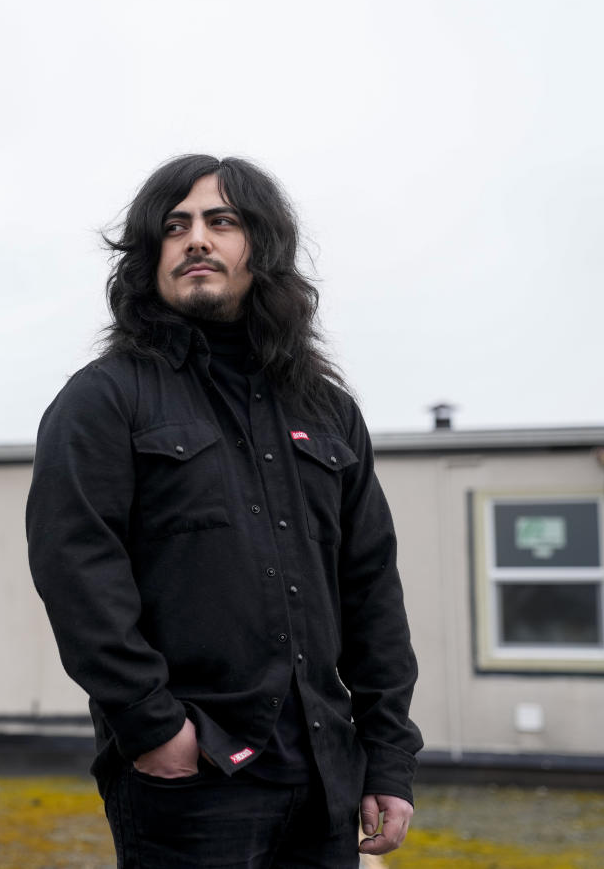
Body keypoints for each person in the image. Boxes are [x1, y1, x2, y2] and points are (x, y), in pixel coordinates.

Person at [26, 154, 422, 867]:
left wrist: (387, 754)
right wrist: (152, 727)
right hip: (193, 775)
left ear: (261, 248)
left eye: (221, 221)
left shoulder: (327, 412)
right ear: (149, 258)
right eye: (173, 227)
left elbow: (370, 588)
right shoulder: (104, 399)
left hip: (325, 772)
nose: (195, 239)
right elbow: (76, 570)